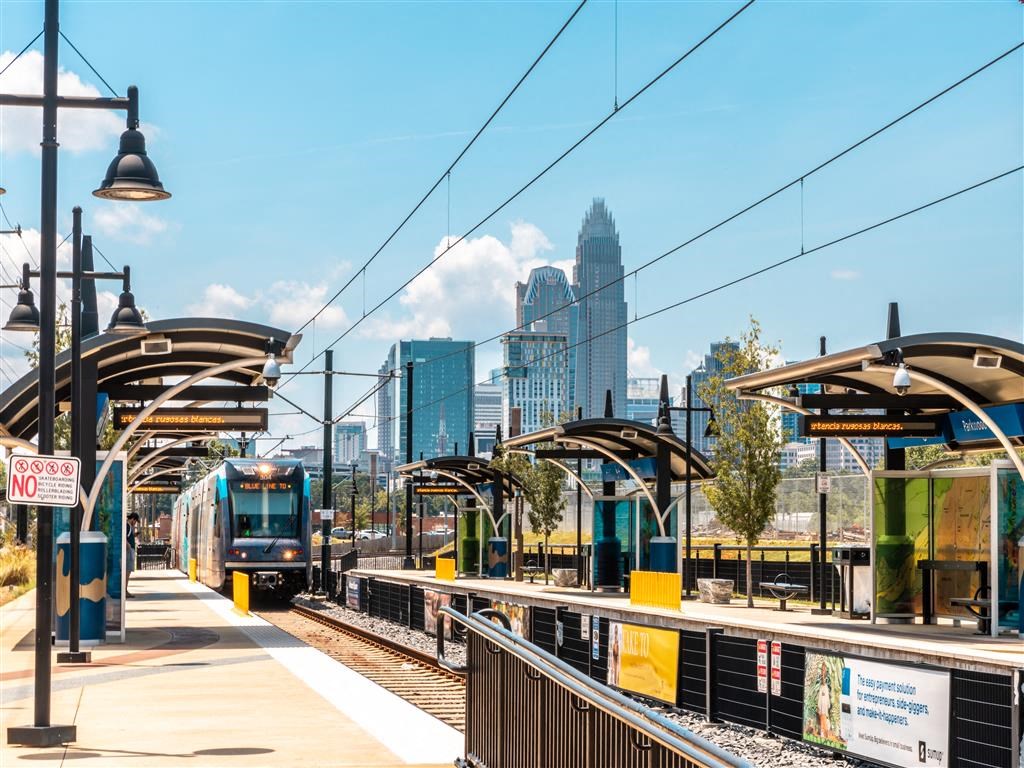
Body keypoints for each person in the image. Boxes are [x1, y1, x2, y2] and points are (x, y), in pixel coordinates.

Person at [126, 512, 140, 598]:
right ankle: (125, 591)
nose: (135, 523)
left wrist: (135, 535)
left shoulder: (129, 527)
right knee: (127, 571)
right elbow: (124, 537)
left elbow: (128, 536)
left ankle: (125, 590)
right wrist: (128, 545)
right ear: (133, 519)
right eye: (135, 521)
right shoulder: (127, 526)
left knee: (128, 571)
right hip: (128, 550)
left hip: (130, 549)